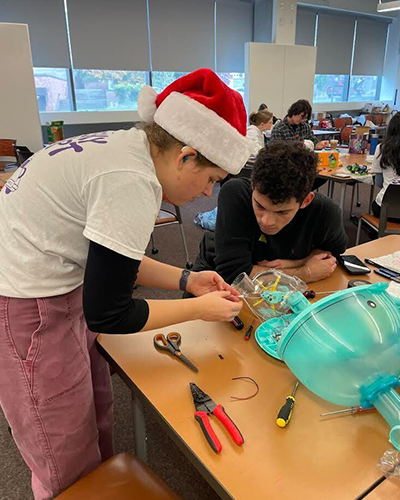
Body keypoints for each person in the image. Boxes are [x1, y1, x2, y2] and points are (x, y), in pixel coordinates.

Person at [0, 69, 255, 499]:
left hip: (60, 284)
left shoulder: (129, 148)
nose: (207, 194)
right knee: (62, 453)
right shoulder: (132, 180)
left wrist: (187, 279)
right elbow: (111, 312)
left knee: (95, 411)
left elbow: (115, 262)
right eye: (210, 179)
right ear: (186, 155)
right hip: (27, 304)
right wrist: (199, 309)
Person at [190, 141, 347, 285]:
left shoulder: (325, 212)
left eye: (282, 212)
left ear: (306, 201)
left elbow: (333, 254)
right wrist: (305, 271)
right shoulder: (235, 193)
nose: (267, 221)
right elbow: (235, 274)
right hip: (213, 273)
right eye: (260, 205)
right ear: (253, 186)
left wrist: (291, 265)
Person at [371, 113, 400, 222]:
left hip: (386, 208)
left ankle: (379, 234)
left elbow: (379, 182)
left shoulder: (382, 148)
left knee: (376, 204)